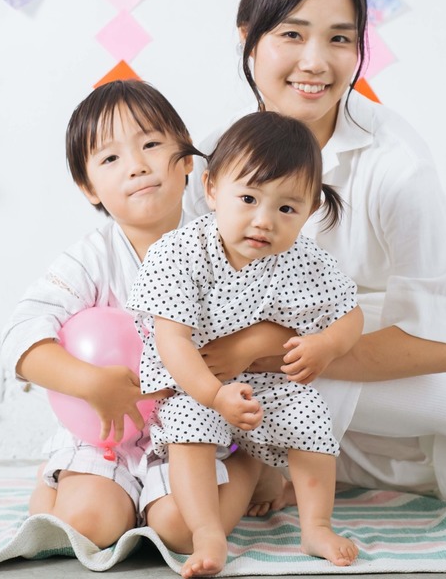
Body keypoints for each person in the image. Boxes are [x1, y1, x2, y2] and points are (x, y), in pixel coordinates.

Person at [185, 0, 446, 524]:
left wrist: (262, 344)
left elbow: (441, 341)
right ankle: (279, 457)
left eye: (339, 38)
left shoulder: (395, 166)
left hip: (430, 362)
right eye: (292, 33)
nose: (316, 62)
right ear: (246, 36)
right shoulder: (213, 159)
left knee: (292, 350)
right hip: (303, 363)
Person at [0, 80, 262, 548]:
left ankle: (247, 467)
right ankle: (65, 479)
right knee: (86, 526)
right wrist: (89, 383)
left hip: (192, 428)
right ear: (88, 187)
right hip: (108, 431)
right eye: (110, 158)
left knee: (181, 531)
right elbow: (20, 336)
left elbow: (276, 317)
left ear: (186, 160)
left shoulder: (222, 246)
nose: (137, 165)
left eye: (151, 144)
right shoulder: (90, 259)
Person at [128, 111, 363, 577]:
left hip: (268, 382)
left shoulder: (306, 260)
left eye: (286, 208)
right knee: (189, 430)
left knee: (311, 420)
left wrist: (328, 345)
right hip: (198, 380)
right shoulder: (180, 252)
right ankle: (207, 531)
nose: (264, 221)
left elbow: (350, 314)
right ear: (213, 189)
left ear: (310, 210)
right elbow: (171, 339)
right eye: (249, 198)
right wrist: (214, 395)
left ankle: (315, 524)